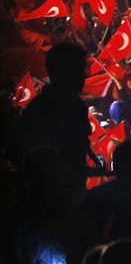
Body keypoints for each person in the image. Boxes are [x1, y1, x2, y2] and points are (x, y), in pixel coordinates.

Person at [11, 42, 96, 198]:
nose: (85, 75)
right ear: (64, 71)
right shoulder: (43, 111)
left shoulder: (73, 106)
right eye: (79, 68)